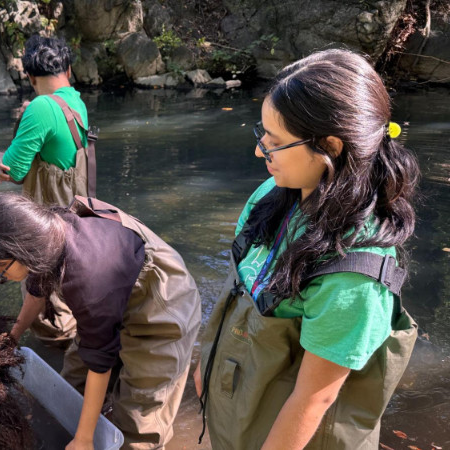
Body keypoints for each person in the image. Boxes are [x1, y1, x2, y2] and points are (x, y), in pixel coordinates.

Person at [194, 49, 420, 449]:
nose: (259, 151)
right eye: (261, 134)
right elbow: (240, 284)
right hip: (242, 408)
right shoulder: (274, 194)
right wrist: (206, 368)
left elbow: (315, 397)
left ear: (330, 147)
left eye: (275, 142)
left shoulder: (354, 272)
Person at [0, 192, 202, 449]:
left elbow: (100, 363)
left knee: (138, 420)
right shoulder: (44, 236)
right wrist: (13, 336)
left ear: (21, 249)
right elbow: (38, 292)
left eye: (0, 267)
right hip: (110, 297)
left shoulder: (88, 278)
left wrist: (83, 439)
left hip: (160, 307)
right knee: (66, 389)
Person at [0, 35, 97, 346]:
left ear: (30, 77)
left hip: (49, 223)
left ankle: (49, 348)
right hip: (75, 217)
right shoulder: (75, 102)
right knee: (64, 292)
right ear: (66, 67)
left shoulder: (40, 107)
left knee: (43, 294)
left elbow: (13, 172)